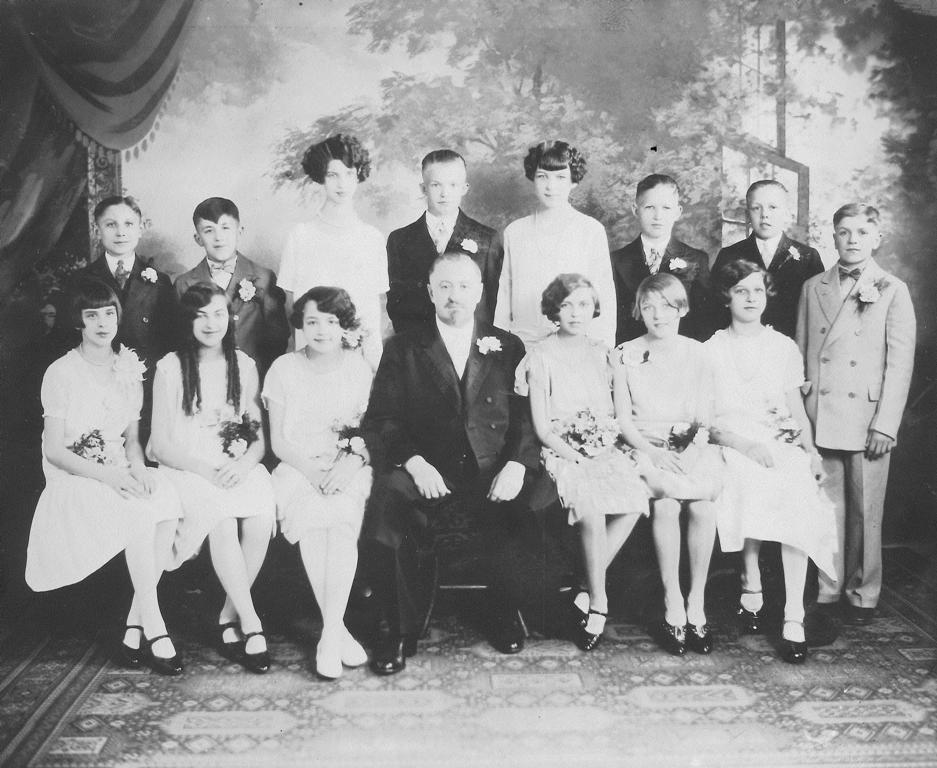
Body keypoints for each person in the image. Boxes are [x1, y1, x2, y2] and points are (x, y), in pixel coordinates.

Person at [362, 251, 541, 675]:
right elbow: (383, 419)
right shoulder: (404, 346)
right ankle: (398, 629)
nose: (454, 295)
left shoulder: (507, 345)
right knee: (390, 501)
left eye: (463, 286)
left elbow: (527, 418)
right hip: (429, 468)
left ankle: (504, 612)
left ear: (480, 292)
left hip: (490, 469)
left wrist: (516, 465)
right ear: (429, 292)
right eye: (444, 286)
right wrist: (414, 462)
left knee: (526, 504)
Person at [25, 278, 184, 675]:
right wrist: (109, 477)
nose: (102, 323)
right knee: (138, 515)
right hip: (75, 475)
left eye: (108, 313)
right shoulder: (60, 372)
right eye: (91, 315)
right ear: (77, 322)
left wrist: (137, 468)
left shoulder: (128, 366)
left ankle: (135, 623)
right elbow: (54, 450)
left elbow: (131, 439)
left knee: (166, 502)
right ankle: (157, 627)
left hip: (117, 466)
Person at [706, 260, 837, 664]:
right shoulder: (710, 349)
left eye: (757, 291)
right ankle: (750, 579)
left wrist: (810, 452)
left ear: (767, 297)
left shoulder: (782, 347)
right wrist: (744, 445)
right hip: (732, 442)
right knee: (748, 479)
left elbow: (796, 410)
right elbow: (707, 420)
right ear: (726, 296)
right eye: (741, 290)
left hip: (779, 441)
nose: (750, 299)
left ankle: (793, 615)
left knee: (796, 490)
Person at [516, 273, 650, 651]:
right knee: (590, 509)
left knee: (635, 500)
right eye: (567, 304)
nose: (576, 312)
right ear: (554, 310)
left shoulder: (604, 352)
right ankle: (599, 603)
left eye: (584, 304)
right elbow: (542, 428)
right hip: (562, 450)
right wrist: (576, 455)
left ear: (594, 309)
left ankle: (583, 585)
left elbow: (619, 415)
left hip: (603, 446)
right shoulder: (539, 356)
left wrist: (611, 445)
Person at [796, 204, 915, 626]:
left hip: (867, 418)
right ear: (833, 236)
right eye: (844, 231)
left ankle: (863, 592)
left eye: (862, 232)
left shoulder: (892, 288)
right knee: (827, 506)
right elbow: (803, 354)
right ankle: (828, 587)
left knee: (866, 510)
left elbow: (900, 365)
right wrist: (803, 413)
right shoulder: (814, 286)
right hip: (823, 411)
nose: (852, 239)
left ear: (877, 237)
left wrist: (886, 422)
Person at [148, 282, 276, 674]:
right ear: (188, 320)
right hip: (187, 467)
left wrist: (246, 464)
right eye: (200, 315)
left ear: (230, 318)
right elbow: (161, 443)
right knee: (220, 520)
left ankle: (226, 614)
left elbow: (257, 436)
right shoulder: (171, 367)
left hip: (234, 464)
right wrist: (204, 470)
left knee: (260, 519)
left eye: (218, 313)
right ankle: (251, 623)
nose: (210, 323)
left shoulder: (244, 365)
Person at [263, 287, 373, 679]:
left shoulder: (359, 368)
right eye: (312, 322)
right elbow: (277, 440)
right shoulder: (283, 369)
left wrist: (349, 464)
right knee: (314, 518)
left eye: (331, 321)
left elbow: (370, 431)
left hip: (347, 467)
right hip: (298, 468)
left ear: (344, 326)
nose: (322, 330)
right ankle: (335, 632)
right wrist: (311, 472)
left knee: (341, 518)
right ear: (300, 326)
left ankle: (328, 634)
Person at [612, 273, 722, 656]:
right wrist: (652, 451)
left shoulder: (698, 352)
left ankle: (697, 602)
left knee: (705, 506)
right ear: (639, 311)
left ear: (683, 309)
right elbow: (623, 419)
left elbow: (704, 414)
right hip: (643, 446)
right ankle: (672, 600)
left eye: (667, 306)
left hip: (689, 445)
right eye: (649, 307)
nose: (658, 315)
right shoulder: (624, 352)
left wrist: (690, 451)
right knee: (666, 504)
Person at [70, 196, 178, 444]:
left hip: (146, 388)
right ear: (98, 230)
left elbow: (171, 342)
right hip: (97, 386)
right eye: (111, 225)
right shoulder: (81, 280)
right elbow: (70, 336)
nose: (121, 232)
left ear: (140, 229)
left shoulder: (160, 282)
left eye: (129, 224)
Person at [278, 134, 387, 368]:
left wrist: (374, 368)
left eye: (349, 174)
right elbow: (291, 308)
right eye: (333, 175)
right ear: (321, 178)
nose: (342, 184)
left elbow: (372, 313)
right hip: (310, 357)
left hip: (357, 358)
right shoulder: (300, 236)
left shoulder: (372, 238)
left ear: (358, 176)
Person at [494, 140, 616, 348]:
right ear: (533, 178)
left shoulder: (590, 230)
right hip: (523, 345)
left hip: (575, 347)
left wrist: (600, 350)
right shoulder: (515, 232)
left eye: (560, 177)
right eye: (543, 177)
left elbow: (603, 295)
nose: (551, 186)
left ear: (573, 181)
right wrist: (500, 348)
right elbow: (504, 296)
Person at [386, 149, 503, 335]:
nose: (444, 193)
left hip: (469, 344)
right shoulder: (400, 240)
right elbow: (396, 303)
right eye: (435, 185)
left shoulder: (486, 238)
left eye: (453, 185)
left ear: (464, 188)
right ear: (423, 188)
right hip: (417, 345)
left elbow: (491, 302)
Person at [174, 197, 289, 377]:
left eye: (225, 228)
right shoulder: (184, 283)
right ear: (198, 238)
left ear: (240, 231)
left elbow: (278, 339)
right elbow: (180, 339)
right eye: (209, 230)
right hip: (202, 377)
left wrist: (259, 376)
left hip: (253, 377)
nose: (219, 237)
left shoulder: (264, 278)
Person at [712, 180, 824, 338]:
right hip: (741, 346)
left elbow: (816, 315)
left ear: (786, 213)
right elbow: (715, 310)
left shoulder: (808, 257)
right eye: (756, 208)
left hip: (790, 348)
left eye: (773, 207)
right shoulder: (729, 255)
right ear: (747, 215)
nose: (765, 214)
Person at [611, 174, 714, 344]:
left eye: (666, 208)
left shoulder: (696, 259)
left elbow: (705, 320)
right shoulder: (616, 260)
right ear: (636, 210)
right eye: (650, 207)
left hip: (680, 355)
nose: (658, 216)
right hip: (631, 354)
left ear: (678, 212)